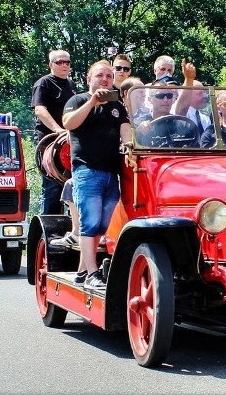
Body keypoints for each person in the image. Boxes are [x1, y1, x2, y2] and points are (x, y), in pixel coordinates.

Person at [62, 60, 131, 290]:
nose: (105, 79)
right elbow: (69, 123)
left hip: (112, 173)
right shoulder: (78, 100)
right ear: (88, 79)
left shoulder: (117, 106)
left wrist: (131, 146)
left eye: (109, 76)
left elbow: (126, 132)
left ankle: (82, 272)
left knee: (101, 226)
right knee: (89, 224)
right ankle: (92, 274)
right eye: (100, 75)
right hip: (87, 171)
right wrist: (93, 101)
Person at [31, 49, 77, 214]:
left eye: (67, 62)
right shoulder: (44, 83)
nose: (64, 65)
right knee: (52, 189)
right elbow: (39, 110)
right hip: (50, 143)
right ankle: (50, 232)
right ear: (51, 64)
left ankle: (73, 228)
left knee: (72, 186)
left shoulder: (71, 85)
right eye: (60, 62)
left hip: (70, 144)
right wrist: (59, 130)